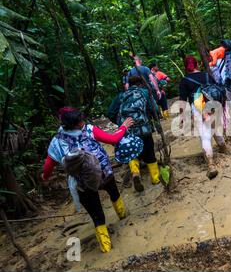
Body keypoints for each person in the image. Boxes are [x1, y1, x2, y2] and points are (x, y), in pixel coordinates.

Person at [41, 107, 134, 253]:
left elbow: (48, 165)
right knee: (114, 194)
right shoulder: (90, 129)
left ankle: (106, 248)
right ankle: (123, 216)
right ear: (77, 122)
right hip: (104, 174)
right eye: (80, 120)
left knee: (96, 214)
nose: (83, 122)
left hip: (82, 183)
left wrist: (45, 177)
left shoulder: (56, 141)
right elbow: (113, 139)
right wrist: (123, 127)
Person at [179, 56, 229, 179]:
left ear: (186, 66)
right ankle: (223, 147)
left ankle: (211, 165)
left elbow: (183, 102)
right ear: (197, 64)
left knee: (205, 136)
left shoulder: (185, 81)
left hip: (198, 109)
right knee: (215, 129)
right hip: (212, 105)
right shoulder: (206, 75)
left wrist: (182, 116)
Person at [112, 75, 160, 191]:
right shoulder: (145, 92)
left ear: (129, 84)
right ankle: (155, 179)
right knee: (149, 152)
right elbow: (155, 109)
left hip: (128, 130)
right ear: (141, 83)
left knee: (132, 151)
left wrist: (122, 124)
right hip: (144, 129)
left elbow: (110, 112)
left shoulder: (121, 96)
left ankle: (135, 172)